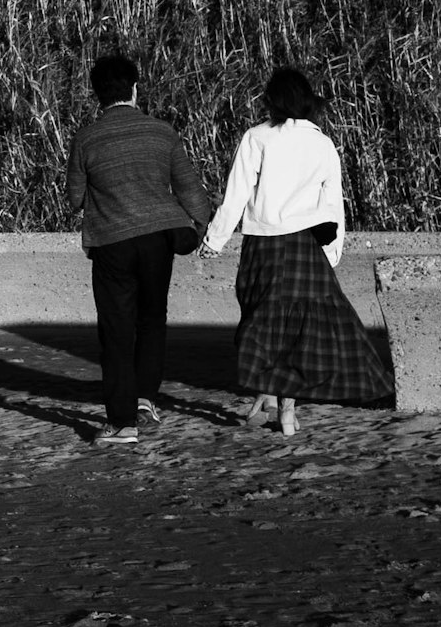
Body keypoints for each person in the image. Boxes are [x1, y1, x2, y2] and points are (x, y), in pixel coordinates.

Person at [206, 66, 392, 433]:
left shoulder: (257, 137)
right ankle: (283, 407)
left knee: (263, 319)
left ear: (273, 102)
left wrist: (215, 239)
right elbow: (333, 204)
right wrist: (333, 252)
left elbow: (236, 195)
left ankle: (274, 396)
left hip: (263, 246)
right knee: (299, 329)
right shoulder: (322, 143)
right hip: (306, 247)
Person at [67, 52, 215, 446]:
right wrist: (200, 231)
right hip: (158, 238)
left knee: (116, 331)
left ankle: (121, 423)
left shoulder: (86, 138)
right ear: (135, 88)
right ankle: (146, 400)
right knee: (152, 320)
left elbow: (75, 199)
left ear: (97, 94)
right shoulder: (161, 132)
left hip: (112, 241)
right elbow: (190, 190)